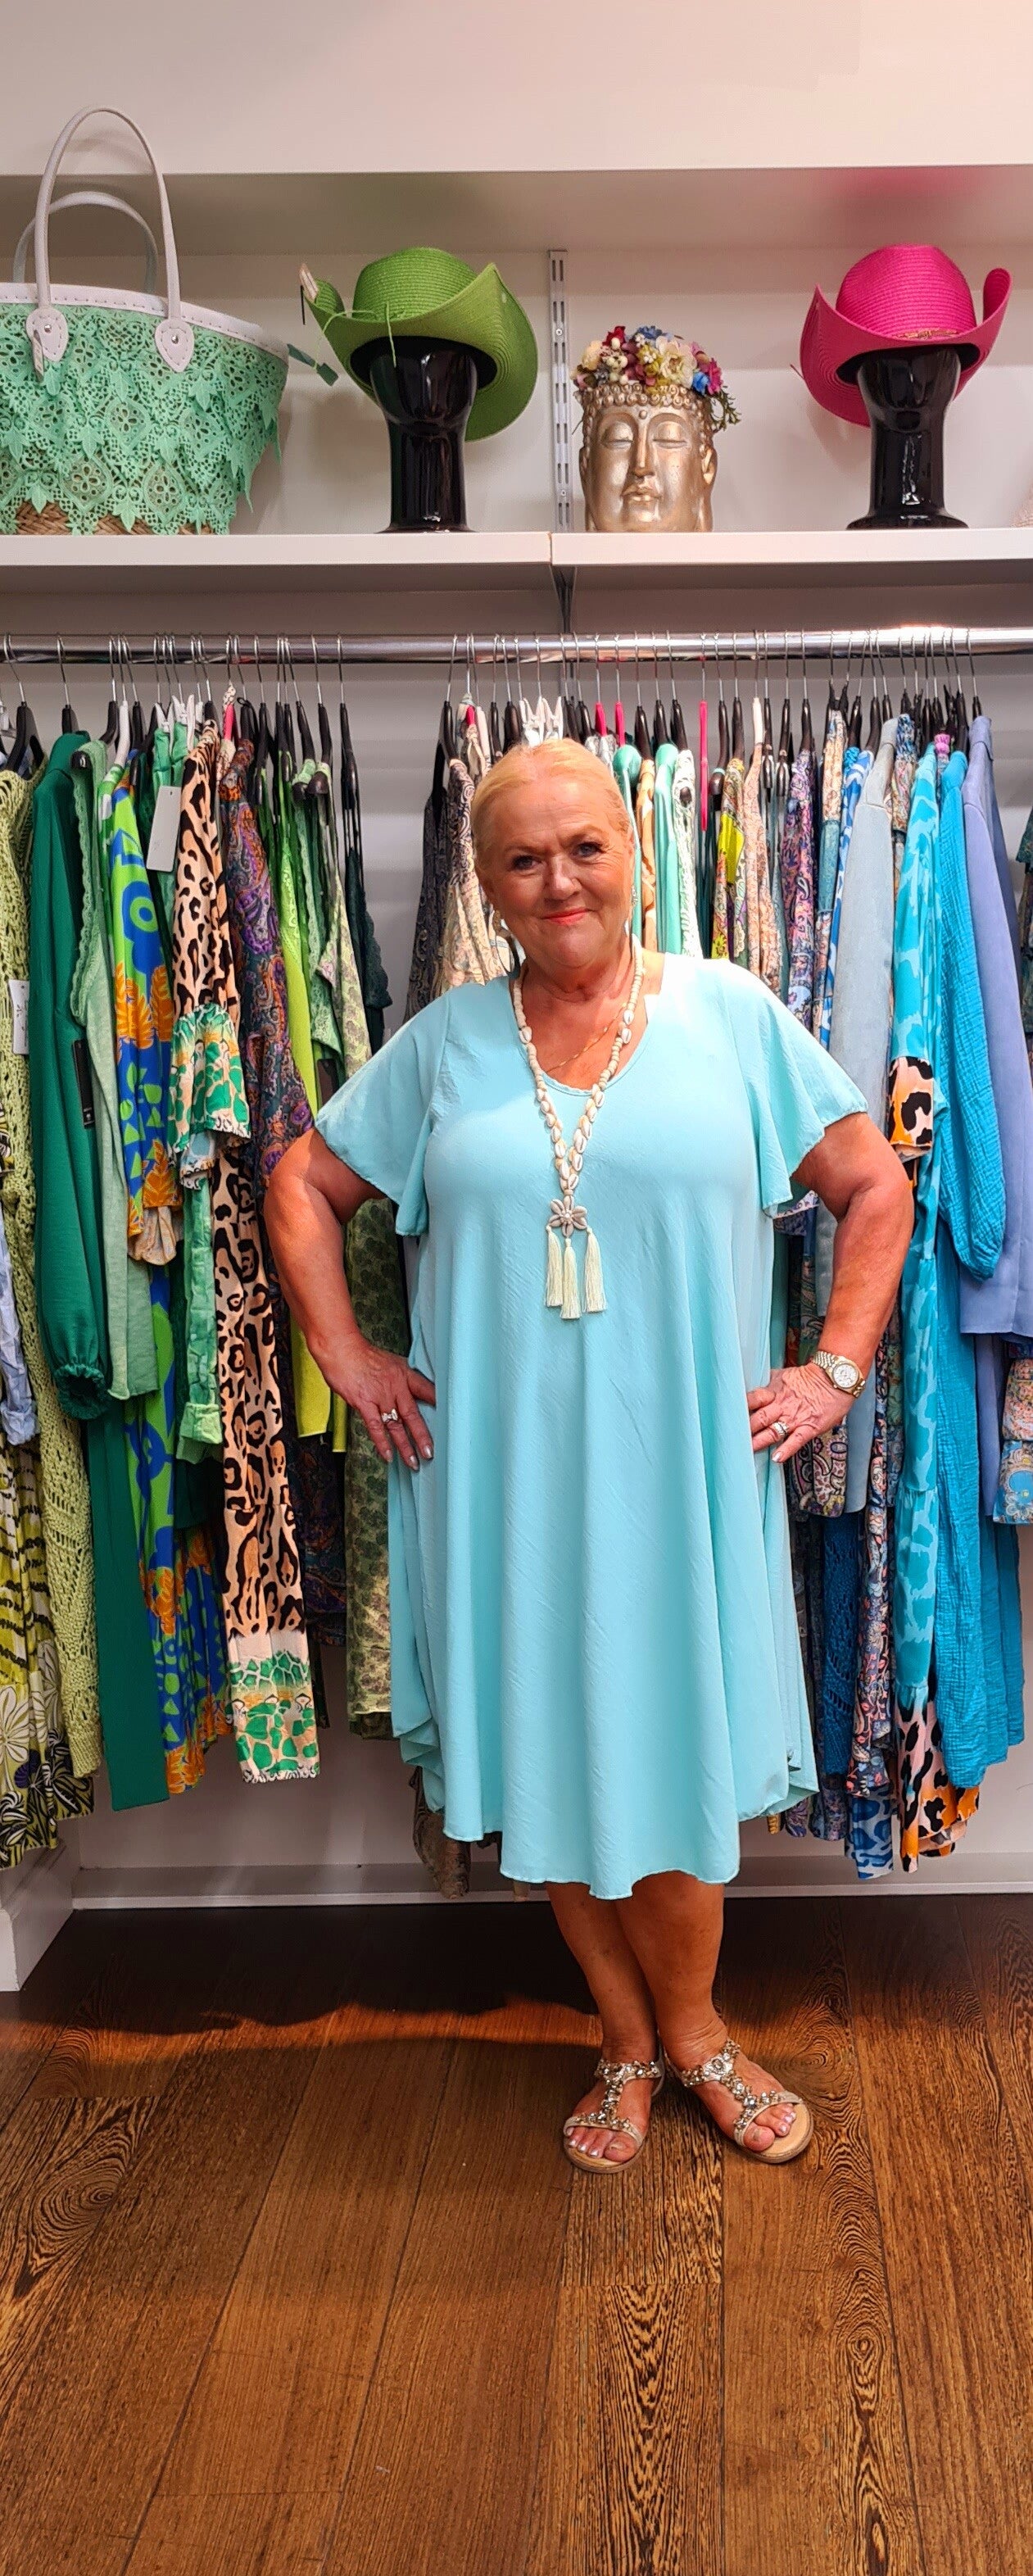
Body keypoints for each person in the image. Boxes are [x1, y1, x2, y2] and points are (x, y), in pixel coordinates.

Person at [265, 740, 912, 2172]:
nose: (557, 880)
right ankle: (624, 2039)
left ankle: (698, 2036)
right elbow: (301, 1183)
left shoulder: (730, 1016)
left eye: (583, 849)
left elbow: (874, 1186)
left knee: (670, 1759)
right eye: (521, 859)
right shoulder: (445, 1044)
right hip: (496, 1482)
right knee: (550, 1760)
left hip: (677, 1477)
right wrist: (347, 1356)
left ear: (632, 859)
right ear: (488, 888)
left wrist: (833, 1368)